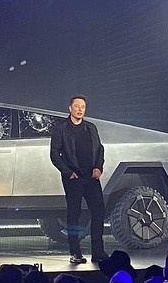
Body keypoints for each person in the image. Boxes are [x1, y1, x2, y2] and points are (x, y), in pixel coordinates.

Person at [50, 95, 107, 264]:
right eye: (77, 106)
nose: (80, 109)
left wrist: (98, 167)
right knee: (74, 214)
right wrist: (67, 172)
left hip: (91, 178)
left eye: (83, 106)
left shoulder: (91, 128)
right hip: (73, 178)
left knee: (99, 212)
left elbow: (100, 149)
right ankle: (75, 252)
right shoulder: (61, 128)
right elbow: (54, 154)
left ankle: (98, 252)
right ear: (70, 108)